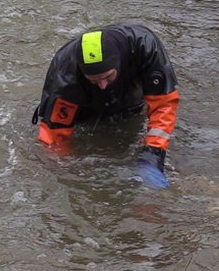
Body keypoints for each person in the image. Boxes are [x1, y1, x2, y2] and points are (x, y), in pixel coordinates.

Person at [31, 24, 180, 187]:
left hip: (130, 100)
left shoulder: (145, 48)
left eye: (108, 77)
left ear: (119, 63)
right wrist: (65, 172)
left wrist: (153, 155)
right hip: (84, 109)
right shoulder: (66, 72)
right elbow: (53, 134)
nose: (102, 85)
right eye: (94, 80)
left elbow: (163, 105)